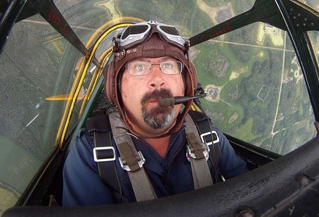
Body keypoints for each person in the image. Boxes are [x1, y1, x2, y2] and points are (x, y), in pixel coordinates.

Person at [62, 20, 248, 206]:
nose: (157, 79)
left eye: (168, 66)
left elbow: (251, 194)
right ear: (115, 86)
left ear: (187, 83)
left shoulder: (208, 135)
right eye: (139, 67)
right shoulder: (90, 154)